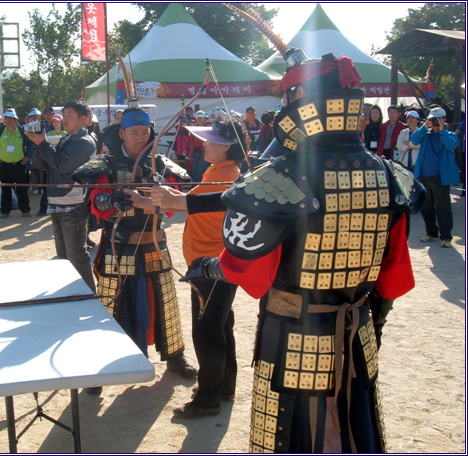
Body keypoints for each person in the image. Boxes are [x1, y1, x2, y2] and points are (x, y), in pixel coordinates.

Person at [178, 50, 424, 452]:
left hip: (293, 337)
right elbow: (394, 277)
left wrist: (207, 267)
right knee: (353, 431)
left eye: (288, 97)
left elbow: (249, 272)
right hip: (357, 335)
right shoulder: (389, 175)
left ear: (301, 102)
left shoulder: (281, 176)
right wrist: (372, 323)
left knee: (295, 435)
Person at [71, 107, 198, 391]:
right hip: (119, 246)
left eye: (144, 133)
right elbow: (96, 200)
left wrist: (160, 188)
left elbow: (176, 199)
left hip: (154, 243)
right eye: (133, 133)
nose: (140, 138)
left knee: (165, 300)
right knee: (109, 303)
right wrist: (111, 200)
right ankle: (100, 366)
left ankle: (174, 356)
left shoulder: (160, 163)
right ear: (121, 133)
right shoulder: (107, 163)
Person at [151, 118, 246, 419]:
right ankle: (222, 387)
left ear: (227, 146)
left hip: (211, 268)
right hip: (210, 265)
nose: (204, 144)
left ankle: (207, 400)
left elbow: (186, 203)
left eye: (212, 140)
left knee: (207, 333)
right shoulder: (218, 171)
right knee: (220, 326)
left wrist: (158, 198)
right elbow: (189, 201)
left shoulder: (225, 176)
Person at [25, 100, 96, 291]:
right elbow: (42, 165)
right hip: (57, 200)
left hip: (73, 203)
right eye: (64, 115)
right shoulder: (67, 139)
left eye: (70, 116)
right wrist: (37, 144)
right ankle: (70, 293)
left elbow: (61, 165)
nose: (65, 119)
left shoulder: (85, 142)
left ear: (83, 119)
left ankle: (88, 295)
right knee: (63, 256)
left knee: (76, 255)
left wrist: (43, 144)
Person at [410, 106, 460, 248]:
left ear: (444, 119)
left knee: (443, 207)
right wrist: (424, 126)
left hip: (440, 176)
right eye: (433, 119)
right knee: (426, 207)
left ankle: (446, 236)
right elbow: (414, 140)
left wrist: (442, 129)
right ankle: (431, 233)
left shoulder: (450, 134)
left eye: (438, 119)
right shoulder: (425, 133)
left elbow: (451, 145)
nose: (435, 122)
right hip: (423, 175)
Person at [0, 108, 32, 218]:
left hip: (19, 164)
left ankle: (25, 210)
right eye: (7, 118)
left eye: (11, 118)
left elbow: (31, 144)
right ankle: (5, 211)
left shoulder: (22, 131)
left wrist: (27, 157)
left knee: (22, 188)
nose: (9, 120)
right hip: (4, 164)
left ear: (16, 119)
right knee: (5, 188)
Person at [187, 110, 210, 181]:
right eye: (198, 118)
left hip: (205, 154)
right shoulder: (194, 129)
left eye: (201, 118)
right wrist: (202, 143)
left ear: (204, 118)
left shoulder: (208, 128)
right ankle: (195, 185)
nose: (200, 120)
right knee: (194, 172)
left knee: (200, 173)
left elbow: (209, 141)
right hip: (195, 153)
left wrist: (197, 141)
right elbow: (190, 142)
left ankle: (196, 186)